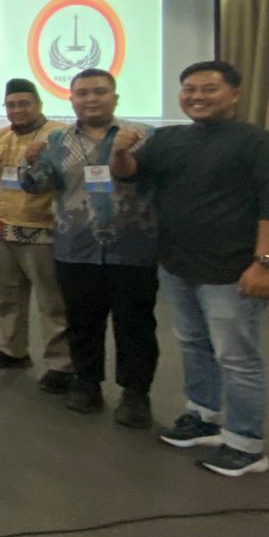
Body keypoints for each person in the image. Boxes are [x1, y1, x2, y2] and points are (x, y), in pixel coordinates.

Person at [111, 61, 269, 476]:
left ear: (234, 94)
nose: (197, 96)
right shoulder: (170, 139)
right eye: (189, 89)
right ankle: (203, 416)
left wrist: (265, 264)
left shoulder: (259, 143)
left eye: (209, 89)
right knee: (195, 343)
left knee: (237, 357)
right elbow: (129, 174)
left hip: (231, 270)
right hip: (178, 265)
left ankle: (247, 445)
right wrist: (120, 151)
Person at [19, 68, 158, 425]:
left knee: (135, 325)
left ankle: (135, 394)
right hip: (76, 248)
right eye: (82, 93)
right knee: (82, 322)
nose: (91, 99)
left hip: (133, 249)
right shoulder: (56, 141)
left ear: (115, 97)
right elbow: (36, 186)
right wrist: (29, 162)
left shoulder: (144, 136)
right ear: (72, 100)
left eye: (99, 92)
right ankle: (87, 383)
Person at [0, 79, 72, 389]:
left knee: (52, 301)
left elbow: (71, 179)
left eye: (24, 104)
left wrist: (40, 160)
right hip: (1, 226)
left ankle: (61, 364)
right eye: (11, 105)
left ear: (39, 104)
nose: (17, 110)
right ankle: (13, 349)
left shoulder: (58, 135)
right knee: (4, 295)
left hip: (42, 229)